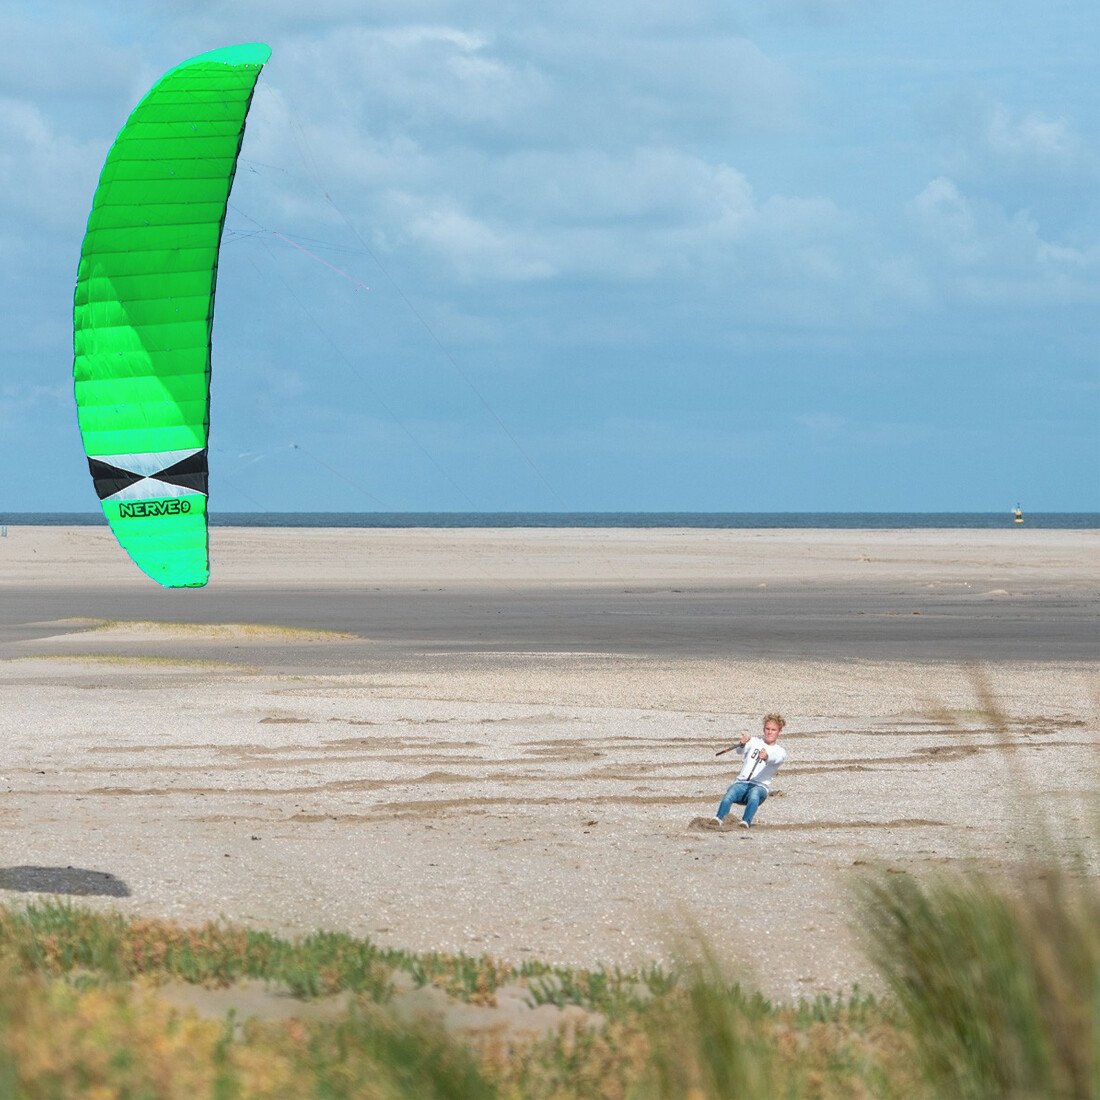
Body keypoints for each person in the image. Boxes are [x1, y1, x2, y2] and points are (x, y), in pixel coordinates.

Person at [714, 713, 788, 828]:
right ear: (763, 729)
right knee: (730, 794)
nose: (769, 732)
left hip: (760, 787)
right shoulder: (754, 741)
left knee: (754, 795)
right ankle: (718, 819)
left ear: (779, 732)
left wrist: (766, 757)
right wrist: (742, 744)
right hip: (741, 783)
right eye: (767, 729)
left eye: (773, 730)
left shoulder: (780, 751)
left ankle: (745, 822)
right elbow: (739, 751)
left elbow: (775, 758)